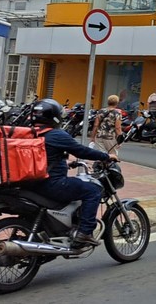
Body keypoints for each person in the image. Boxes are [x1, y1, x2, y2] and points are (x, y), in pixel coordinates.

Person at [28, 98, 115, 248]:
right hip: (51, 184)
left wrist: (63, 163)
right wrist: (106, 156)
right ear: (54, 117)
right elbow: (82, 151)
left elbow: (41, 157)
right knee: (93, 190)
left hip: (29, 183)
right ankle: (85, 233)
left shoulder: (28, 134)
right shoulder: (56, 135)